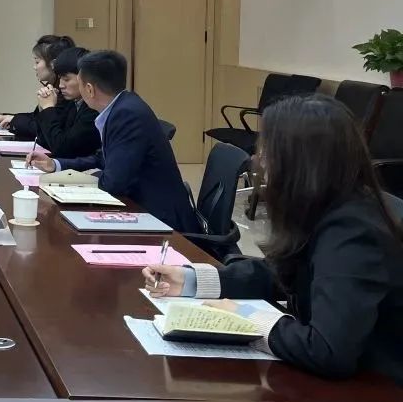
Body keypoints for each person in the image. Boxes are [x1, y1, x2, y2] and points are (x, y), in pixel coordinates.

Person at [145, 94, 403, 383]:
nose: (259, 161)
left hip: (378, 394)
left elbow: (328, 350)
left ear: (301, 162)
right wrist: (191, 280)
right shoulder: (327, 206)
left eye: (268, 152)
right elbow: (282, 273)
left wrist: (244, 316)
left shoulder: (352, 232)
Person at [28, 50, 199, 232]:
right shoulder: (122, 106)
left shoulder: (126, 114)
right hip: (141, 208)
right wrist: (56, 165)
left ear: (89, 89)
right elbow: (102, 159)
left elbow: (113, 183)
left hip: (161, 220)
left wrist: (76, 183)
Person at [0, 35, 76, 140]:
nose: (34, 67)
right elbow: (36, 117)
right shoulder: (52, 87)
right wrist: (7, 117)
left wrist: (13, 120)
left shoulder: (67, 93)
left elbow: (41, 127)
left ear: (53, 64)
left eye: (37, 62)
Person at [35, 46, 100, 159]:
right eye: (60, 78)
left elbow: (63, 149)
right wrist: (43, 108)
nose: (61, 85)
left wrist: (48, 108)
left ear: (84, 79)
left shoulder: (93, 109)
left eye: (66, 79)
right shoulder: (72, 103)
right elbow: (44, 142)